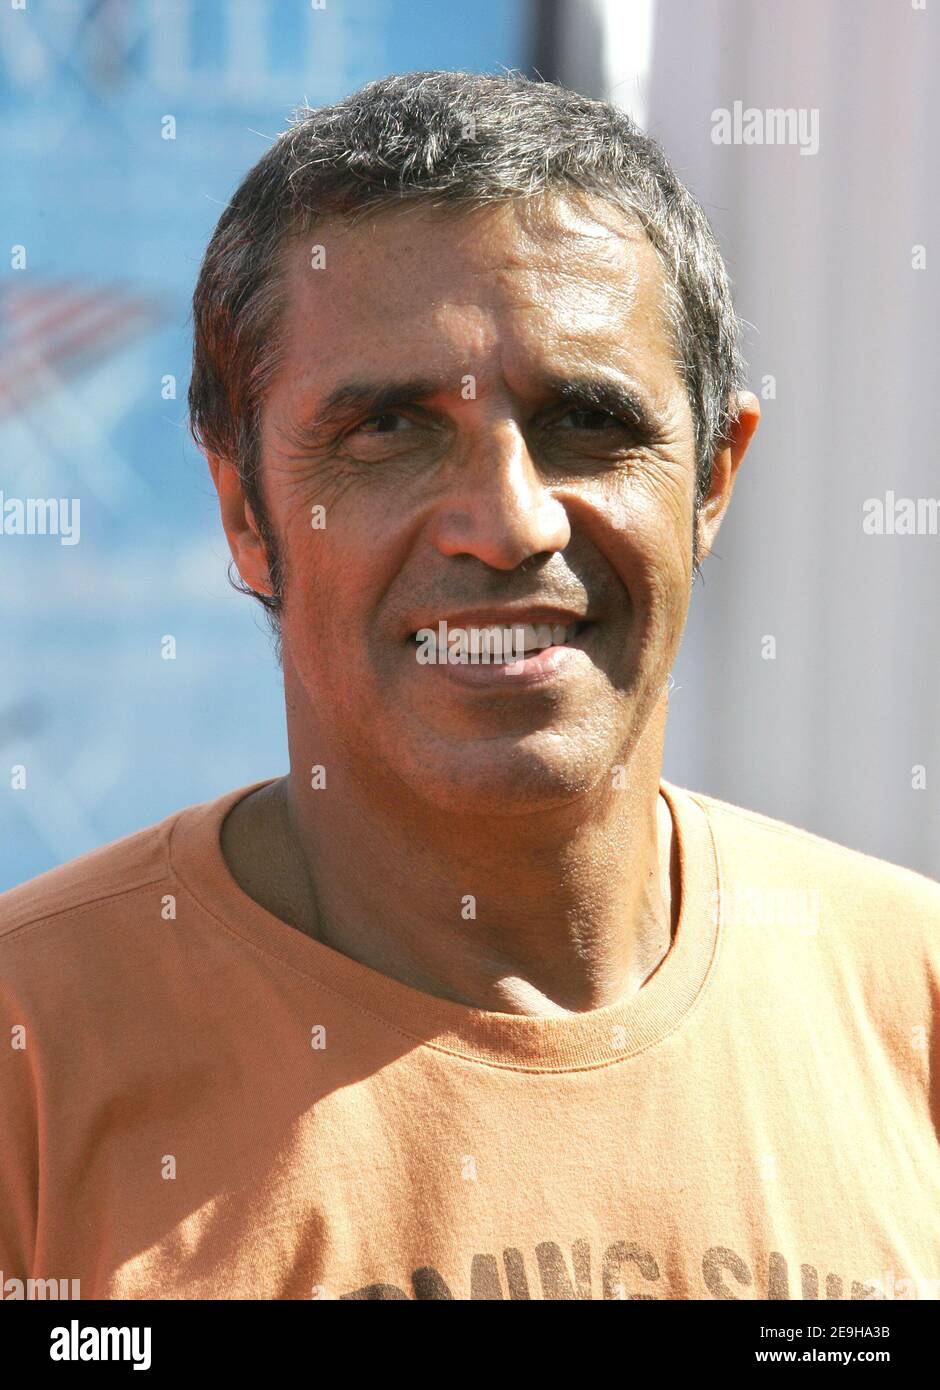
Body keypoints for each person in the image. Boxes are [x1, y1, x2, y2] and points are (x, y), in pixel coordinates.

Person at [1, 71, 937, 1303]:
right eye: (389, 429)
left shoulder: (911, 994)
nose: (507, 523)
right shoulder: (31, 1057)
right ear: (246, 512)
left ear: (713, 478)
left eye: (586, 420)